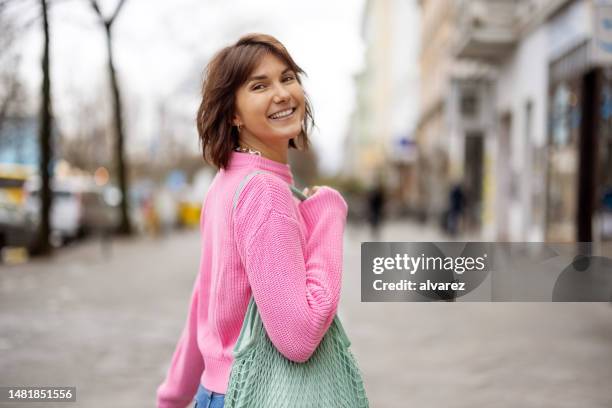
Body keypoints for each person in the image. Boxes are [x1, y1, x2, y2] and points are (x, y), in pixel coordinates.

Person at [156, 34, 349, 408]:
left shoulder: (226, 181)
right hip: (253, 395)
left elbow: (203, 306)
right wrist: (328, 214)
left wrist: (173, 397)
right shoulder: (264, 190)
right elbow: (298, 337)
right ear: (233, 112)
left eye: (288, 77)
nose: (282, 93)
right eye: (259, 85)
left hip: (213, 394)